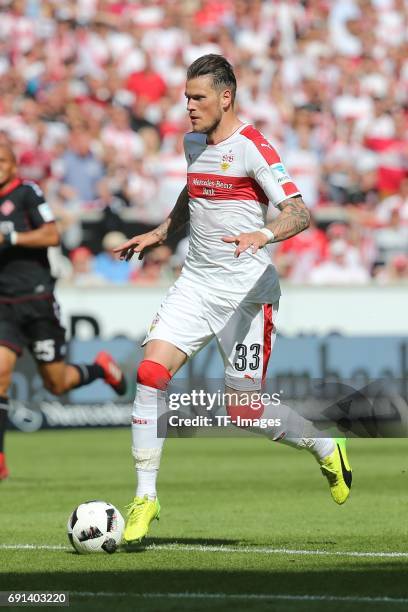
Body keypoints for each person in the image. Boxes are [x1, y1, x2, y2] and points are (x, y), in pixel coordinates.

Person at [115, 55, 352, 545]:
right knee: (150, 374)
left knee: (243, 410)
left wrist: (261, 234)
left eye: (198, 97)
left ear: (226, 97)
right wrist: (161, 232)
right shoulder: (193, 143)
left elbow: (299, 213)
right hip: (196, 285)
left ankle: (326, 445)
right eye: (186, 97)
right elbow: (193, 192)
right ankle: (145, 497)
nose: (189, 107)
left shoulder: (253, 148)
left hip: (247, 295)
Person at [0, 145, 127, 481]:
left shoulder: (27, 193)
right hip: (3, 305)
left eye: (2, 160)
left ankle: (100, 368)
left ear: (14, 164)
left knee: (56, 383)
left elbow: (52, 234)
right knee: (0, 373)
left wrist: (10, 236)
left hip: (37, 301)